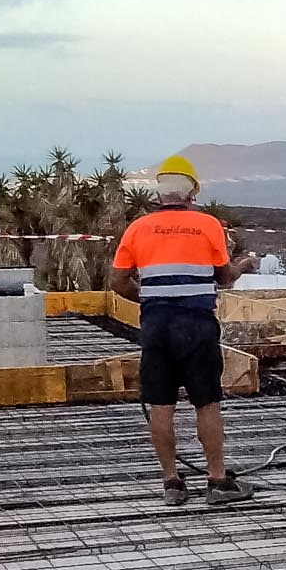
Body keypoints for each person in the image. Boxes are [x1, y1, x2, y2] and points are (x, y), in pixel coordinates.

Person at [109, 155, 252, 507]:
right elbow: (224, 277)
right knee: (206, 402)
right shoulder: (207, 225)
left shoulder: (137, 229)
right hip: (196, 325)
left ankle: (172, 483)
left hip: (157, 327)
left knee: (161, 404)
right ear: (192, 194)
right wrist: (245, 265)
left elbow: (117, 280)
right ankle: (217, 481)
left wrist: (146, 298)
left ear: (159, 194)